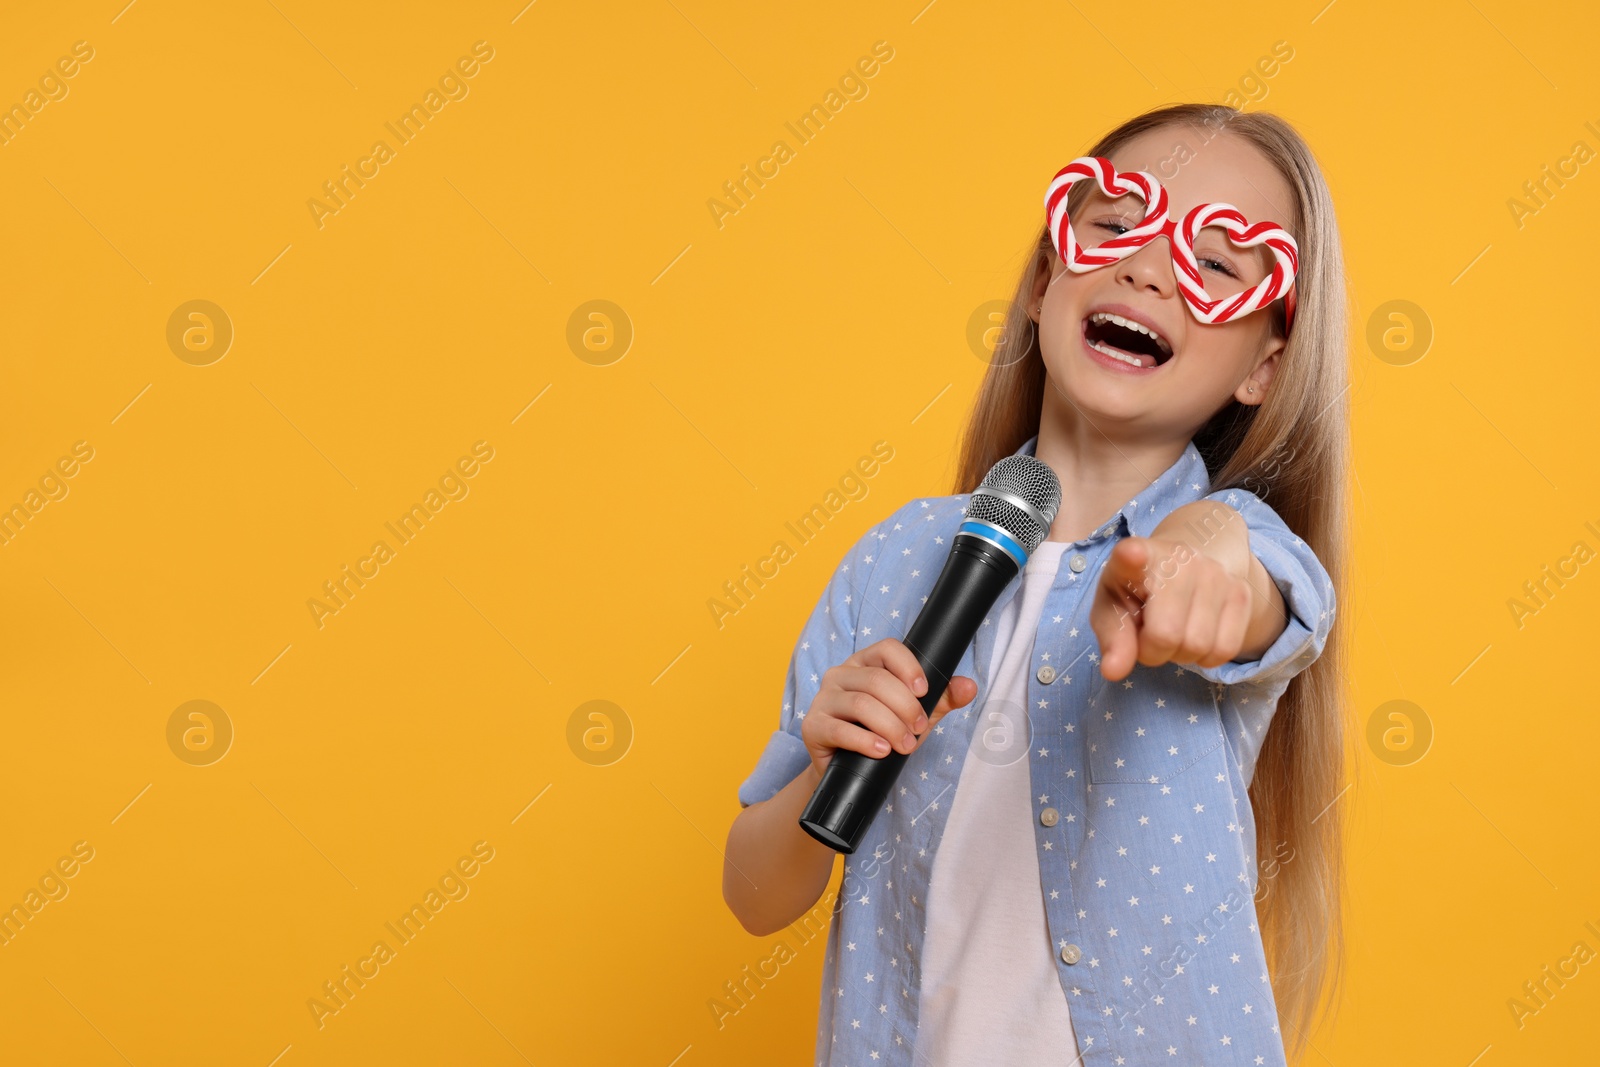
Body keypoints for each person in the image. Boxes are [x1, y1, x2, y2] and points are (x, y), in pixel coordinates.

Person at [723, 102, 1350, 1067]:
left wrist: (1199, 560)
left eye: (1218, 263)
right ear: (1043, 278)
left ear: (1264, 365)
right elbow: (756, 896)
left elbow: (1257, 589)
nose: (1148, 266)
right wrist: (823, 763)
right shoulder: (897, 556)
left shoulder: (1241, 546)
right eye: (1113, 224)